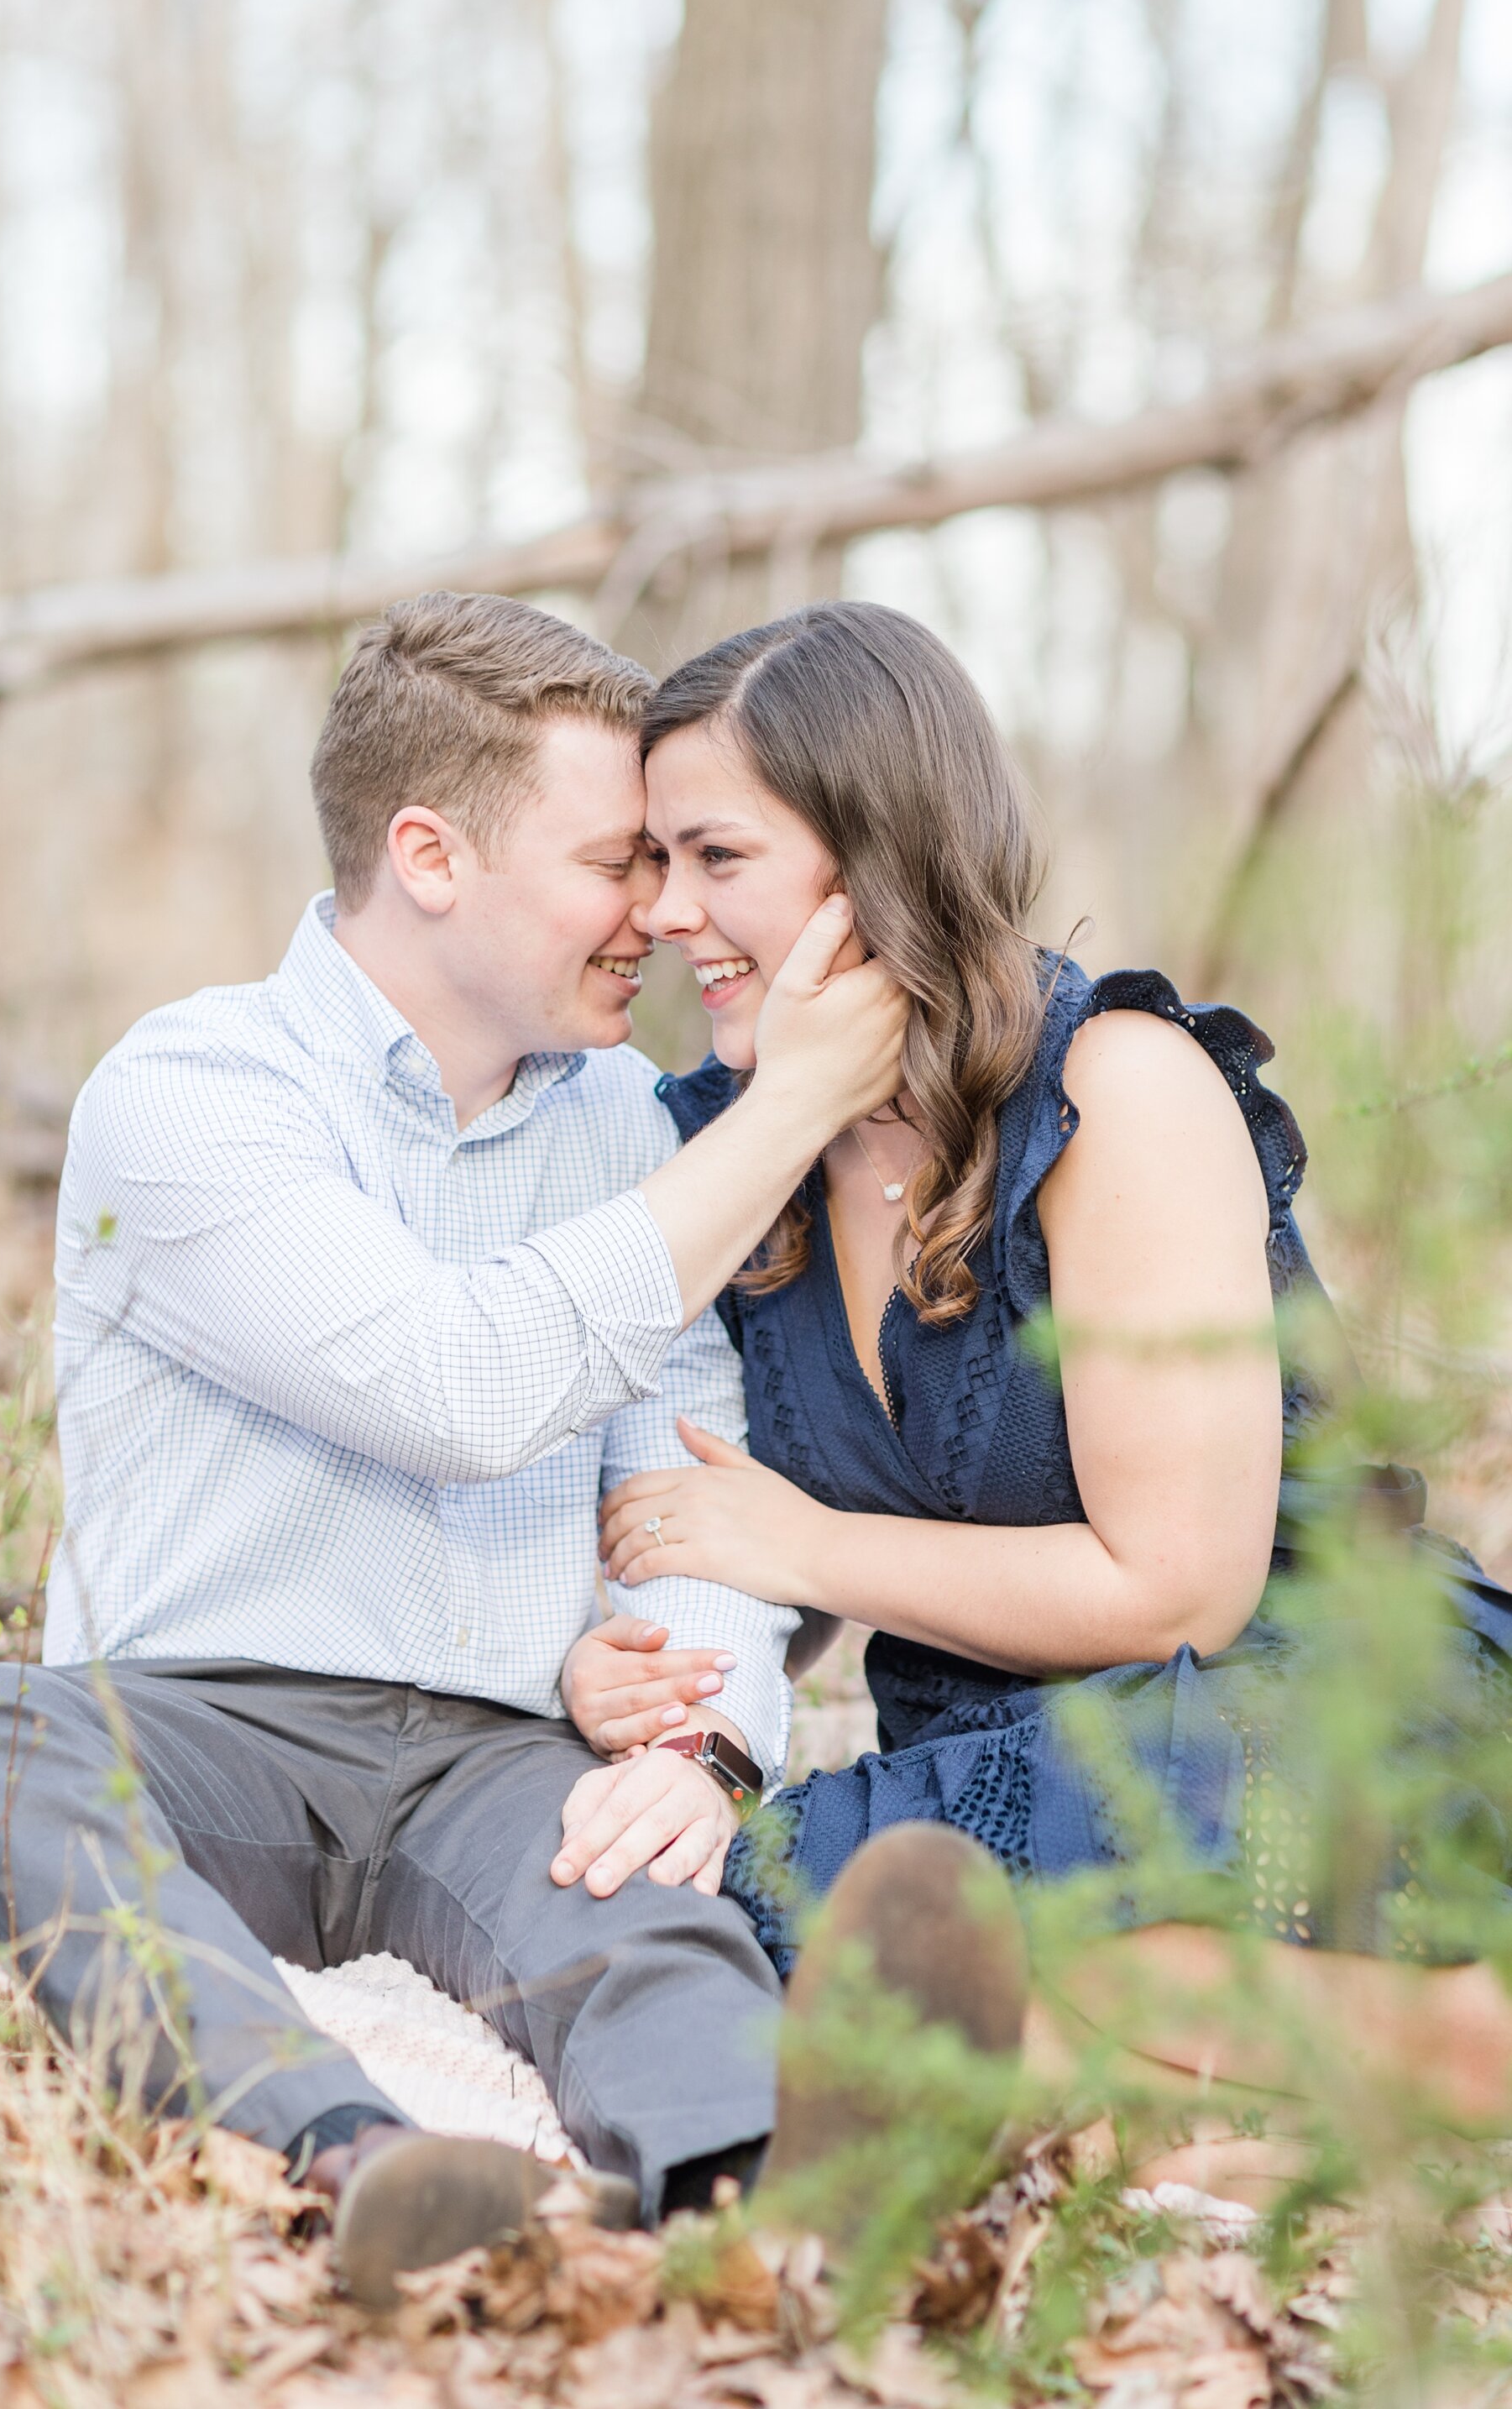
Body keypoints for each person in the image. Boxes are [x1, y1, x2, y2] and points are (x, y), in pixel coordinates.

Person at [0, 590, 910, 2297]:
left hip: (491, 1758)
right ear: (429, 856)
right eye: (613, 865)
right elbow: (452, 1390)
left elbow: (697, 1484)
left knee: (645, 1901)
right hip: (207, 1726)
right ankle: (352, 2148)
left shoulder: (623, 1131)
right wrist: (793, 1103)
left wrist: (704, 1741)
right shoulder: (194, 1097)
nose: (658, 915)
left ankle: (767, 2207)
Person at [562, 599, 1512, 2185]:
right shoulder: (734, 1144)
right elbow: (711, 1532)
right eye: (652, 863)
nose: (664, 911)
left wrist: (794, 1551)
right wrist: (654, 1691)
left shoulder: (1115, 1091)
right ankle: (1230, 2111)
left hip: (1288, 1696)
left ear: (873, 855)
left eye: (714, 857)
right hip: (1004, 1734)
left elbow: (1179, 1592)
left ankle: (1430, 2057)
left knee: (882, 1930)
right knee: (751, 1917)